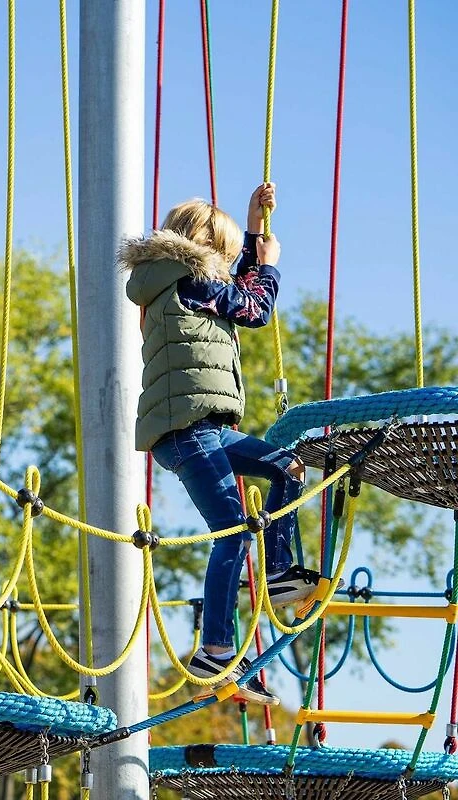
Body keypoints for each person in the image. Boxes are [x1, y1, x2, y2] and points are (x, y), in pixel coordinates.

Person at [122, 183, 326, 706]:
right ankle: (215, 650)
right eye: (230, 254)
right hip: (188, 429)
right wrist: (270, 265)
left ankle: (277, 573)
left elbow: (235, 292)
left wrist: (256, 230)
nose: (234, 264)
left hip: (204, 426)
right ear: (206, 248)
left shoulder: (181, 281)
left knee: (288, 467)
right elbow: (254, 308)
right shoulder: (189, 280)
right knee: (233, 532)